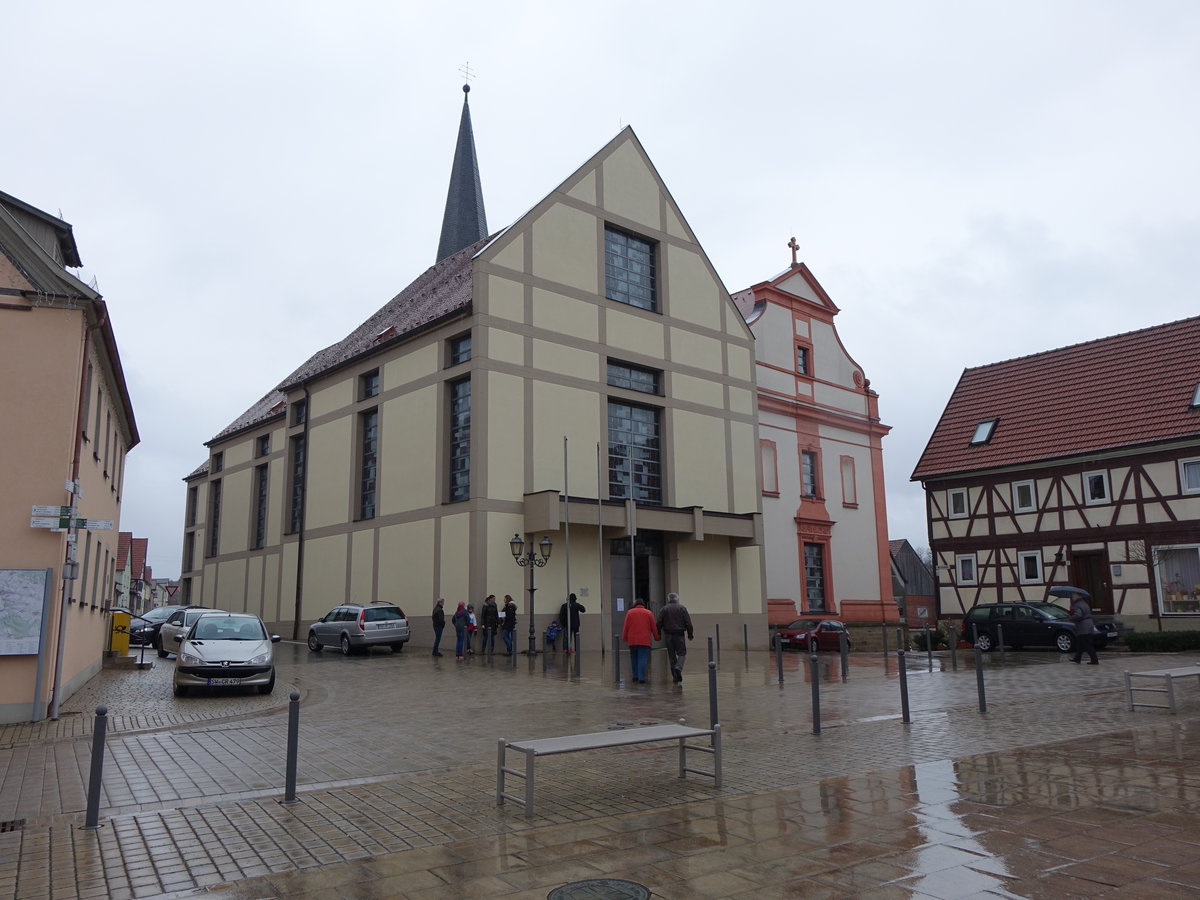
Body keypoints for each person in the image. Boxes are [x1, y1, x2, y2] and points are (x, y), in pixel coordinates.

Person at [656, 592, 694, 683]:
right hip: (679, 634)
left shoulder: (664, 609)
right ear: (676, 599)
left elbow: (659, 622)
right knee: (682, 653)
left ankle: (675, 676)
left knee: (671, 655)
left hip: (668, 634)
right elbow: (688, 622)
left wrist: (659, 633)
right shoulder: (682, 608)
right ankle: (678, 667)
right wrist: (690, 633)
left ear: (668, 599)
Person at [621, 598, 659, 683]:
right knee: (642, 658)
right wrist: (657, 637)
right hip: (644, 640)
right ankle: (641, 678)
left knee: (633, 658)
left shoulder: (629, 612)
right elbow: (653, 627)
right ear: (643, 605)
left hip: (632, 640)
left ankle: (635, 676)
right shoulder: (649, 613)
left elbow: (626, 626)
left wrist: (624, 637)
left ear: (635, 605)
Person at [1069, 592, 1099, 665]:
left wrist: (1071, 618)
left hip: (1083, 626)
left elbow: (1078, 615)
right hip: (1089, 624)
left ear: (1077, 596)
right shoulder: (1084, 603)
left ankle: (1094, 660)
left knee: (1087, 644)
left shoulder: (1077, 604)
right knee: (1080, 643)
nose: (1072, 598)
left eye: (1073, 596)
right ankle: (1077, 658)